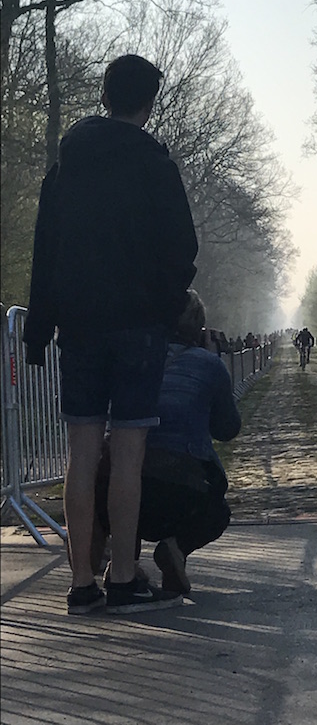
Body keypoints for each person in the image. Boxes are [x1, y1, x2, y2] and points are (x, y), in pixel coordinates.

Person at [23, 54, 198, 615]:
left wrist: (38, 324)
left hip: (78, 324)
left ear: (103, 96)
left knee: (80, 452)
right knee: (128, 452)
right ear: (148, 102)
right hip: (139, 327)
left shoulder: (65, 166)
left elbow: (44, 248)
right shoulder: (154, 164)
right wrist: (167, 307)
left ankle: (80, 583)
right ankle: (124, 576)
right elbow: (183, 248)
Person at [93, 291, 241, 596]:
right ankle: (175, 549)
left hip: (117, 484)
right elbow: (228, 429)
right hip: (182, 492)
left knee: (123, 474)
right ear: (199, 329)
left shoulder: (132, 357)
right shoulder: (209, 365)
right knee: (218, 511)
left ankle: (124, 564)